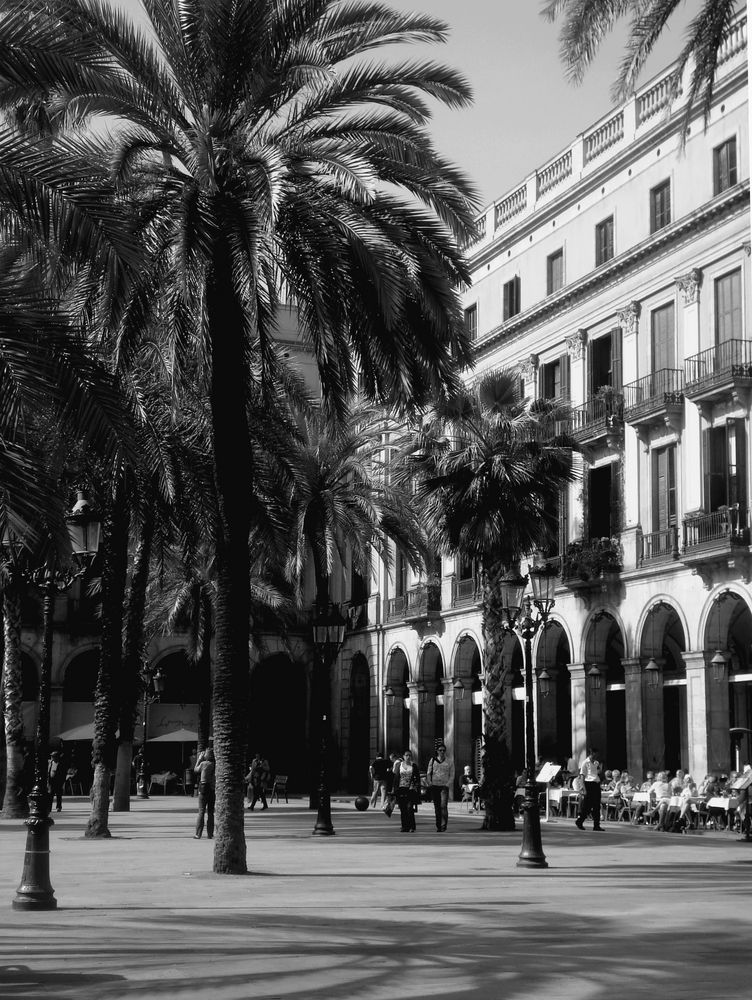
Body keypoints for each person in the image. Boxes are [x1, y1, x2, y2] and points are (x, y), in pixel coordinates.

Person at [392, 749, 420, 832]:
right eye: (407, 755)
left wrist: (415, 786)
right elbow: (396, 778)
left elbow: (417, 778)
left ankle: (412, 826)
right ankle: (404, 826)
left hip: (410, 790)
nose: (408, 757)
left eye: (410, 755)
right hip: (401, 789)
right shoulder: (399, 765)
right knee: (403, 808)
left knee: (409, 808)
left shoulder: (413, 766)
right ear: (403, 756)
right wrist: (394, 789)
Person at [576, 747, 603, 831]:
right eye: (596, 754)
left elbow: (596, 773)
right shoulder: (585, 763)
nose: (597, 756)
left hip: (596, 784)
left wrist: (600, 769)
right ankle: (580, 821)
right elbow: (582, 777)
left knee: (596, 806)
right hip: (589, 784)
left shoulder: (596, 763)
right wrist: (584, 789)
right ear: (592, 753)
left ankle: (596, 825)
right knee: (587, 806)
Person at [426, 744, 452, 832]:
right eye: (440, 750)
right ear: (437, 751)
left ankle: (443, 825)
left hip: (444, 786)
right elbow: (429, 772)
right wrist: (429, 782)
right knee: (437, 807)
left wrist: (448, 784)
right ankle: (438, 826)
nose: (442, 752)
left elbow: (452, 774)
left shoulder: (449, 761)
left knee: (443, 806)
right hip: (435, 786)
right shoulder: (433, 760)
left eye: (444, 750)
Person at [194, 747, 215, 838]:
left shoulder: (204, 763)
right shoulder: (215, 764)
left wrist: (199, 759)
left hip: (203, 788)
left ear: (208, 755)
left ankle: (198, 834)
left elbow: (195, 770)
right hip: (212, 789)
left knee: (201, 811)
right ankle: (210, 834)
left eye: (205, 753)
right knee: (210, 812)